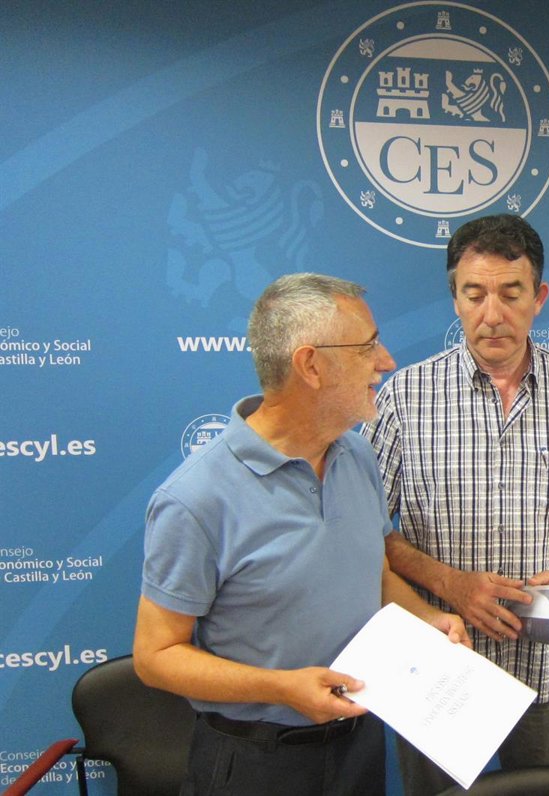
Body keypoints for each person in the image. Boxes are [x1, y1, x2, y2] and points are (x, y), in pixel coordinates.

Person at [133, 274, 468, 796]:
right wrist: (282, 688)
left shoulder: (357, 454)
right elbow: (155, 657)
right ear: (311, 365)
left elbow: (374, 574)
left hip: (360, 744)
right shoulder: (195, 498)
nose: (386, 361)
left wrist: (427, 618)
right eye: (367, 347)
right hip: (256, 762)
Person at [363, 214, 549, 796]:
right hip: (439, 659)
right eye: (474, 294)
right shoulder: (404, 396)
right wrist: (453, 585)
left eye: (511, 294)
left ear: (539, 297)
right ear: (455, 299)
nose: (492, 315)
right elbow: (366, 532)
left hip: (544, 664)